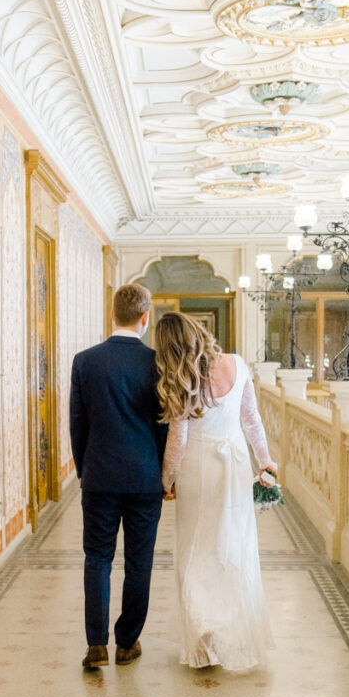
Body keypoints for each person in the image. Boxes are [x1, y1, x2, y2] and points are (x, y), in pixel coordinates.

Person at [156, 312, 276, 671]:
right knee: (233, 544)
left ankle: (202, 642)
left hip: (198, 467)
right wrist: (265, 462)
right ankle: (231, 633)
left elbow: (178, 438)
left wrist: (166, 480)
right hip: (235, 462)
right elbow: (251, 420)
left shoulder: (182, 377)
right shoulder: (237, 364)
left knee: (195, 549)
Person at [70, 283, 167, 670]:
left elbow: (78, 423)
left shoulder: (85, 361)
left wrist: (84, 468)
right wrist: (165, 474)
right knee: (139, 561)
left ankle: (96, 644)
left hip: (99, 475)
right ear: (146, 317)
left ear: (112, 314)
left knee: (97, 557)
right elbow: (165, 425)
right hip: (145, 477)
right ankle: (127, 642)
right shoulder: (158, 363)